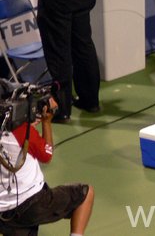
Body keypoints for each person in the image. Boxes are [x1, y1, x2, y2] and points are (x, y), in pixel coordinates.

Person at [0, 96, 94, 234]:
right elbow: (47, 154)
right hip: (31, 204)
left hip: (3, 211)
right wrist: (46, 122)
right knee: (85, 194)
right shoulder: (23, 132)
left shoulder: (21, 131)